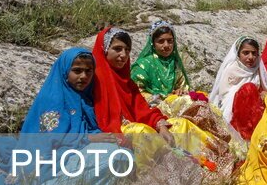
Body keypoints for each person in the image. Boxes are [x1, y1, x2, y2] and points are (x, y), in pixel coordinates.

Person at [0, 48, 126, 185]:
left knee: (123, 156)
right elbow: (47, 139)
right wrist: (86, 139)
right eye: (77, 71)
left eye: (89, 71)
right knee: (110, 155)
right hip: (50, 157)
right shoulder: (53, 99)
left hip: (72, 151)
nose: (84, 76)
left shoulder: (84, 98)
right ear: (64, 71)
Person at [92, 27, 216, 172]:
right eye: (117, 49)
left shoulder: (125, 80)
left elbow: (142, 108)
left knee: (180, 124)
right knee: (141, 131)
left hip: (136, 122)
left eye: (127, 50)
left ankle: (197, 164)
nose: (123, 55)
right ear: (104, 49)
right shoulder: (94, 79)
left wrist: (160, 126)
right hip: (113, 130)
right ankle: (150, 174)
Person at [208, 36, 266, 141]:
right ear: (238, 54)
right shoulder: (232, 69)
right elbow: (223, 94)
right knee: (249, 88)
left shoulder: (258, 70)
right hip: (234, 109)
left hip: (255, 110)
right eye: (246, 53)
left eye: (254, 53)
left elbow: (263, 88)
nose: (250, 57)